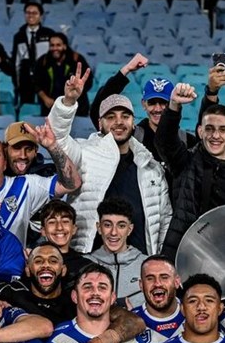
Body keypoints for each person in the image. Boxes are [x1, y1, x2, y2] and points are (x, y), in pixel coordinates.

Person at [49, 66, 172, 256]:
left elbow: (164, 220)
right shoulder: (84, 153)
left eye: (125, 116)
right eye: (111, 117)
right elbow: (56, 139)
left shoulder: (150, 166)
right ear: (100, 123)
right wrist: (68, 101)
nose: (119, 122)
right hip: (90, 261)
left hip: (139, 264)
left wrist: (159, 260)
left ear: (133, 121)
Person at [157, 83, 225, 259]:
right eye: (209, 129)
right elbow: (164, 141)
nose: (215, 136)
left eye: (222, 130)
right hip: (182, 256)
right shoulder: (185, 161)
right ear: (200, 131)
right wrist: (174, 105)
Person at [0, 129, 81, 245]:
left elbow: (71, 184)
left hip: (12, 265)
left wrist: (53, 147)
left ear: (4, 163)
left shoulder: (25, 186)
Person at [86, 196, 146, 306]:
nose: (114, 232)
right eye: (107, 225)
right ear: (99, 228)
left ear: (130, 229)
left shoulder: (147, 265)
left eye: (121, 226)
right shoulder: (84, 263)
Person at [0, 242, 75, 325]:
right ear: (27, 270)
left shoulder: (74, 302)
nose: (46, 265)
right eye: (38, 261)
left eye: (53, 261)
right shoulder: (12, 293)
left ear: (63, 270)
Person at [37, 199, 93, 287]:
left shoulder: (86, 267)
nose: (59, 227)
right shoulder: (33, 261)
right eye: (52, 222)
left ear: (74, 228)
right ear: (43, 230)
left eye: (65, 221)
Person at [35, 32, 92, 116]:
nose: (55, 48)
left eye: (58, 45)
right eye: (52, 45)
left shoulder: (76, 59)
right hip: (51, 107)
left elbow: (88, 81)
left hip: (77, 107)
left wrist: (73, 96)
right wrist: (45, 98)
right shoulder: (43, 61)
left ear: (65, 46)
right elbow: (35, 83)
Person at [12, 2, 55, 106]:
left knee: (46, 108)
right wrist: (17, 83)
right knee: (26, 107)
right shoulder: (19, 36)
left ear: (41, 16)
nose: (31, 15)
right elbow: (16, 62)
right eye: (28, 13)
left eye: (34, 13)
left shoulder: (49, 33)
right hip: (25, 77)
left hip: (44, 76)